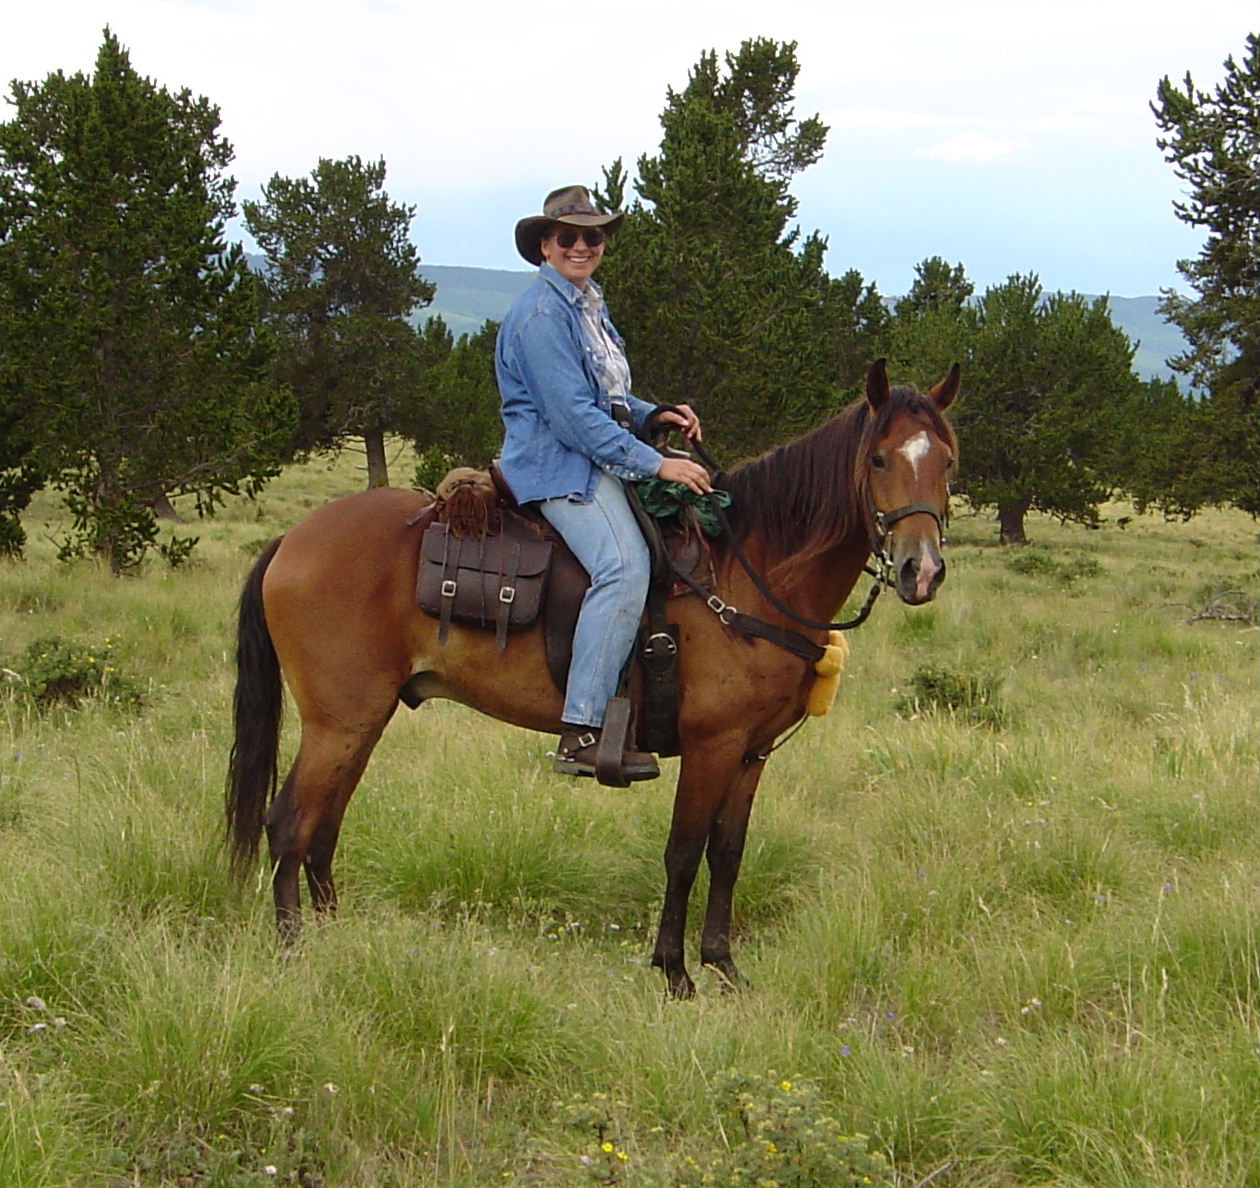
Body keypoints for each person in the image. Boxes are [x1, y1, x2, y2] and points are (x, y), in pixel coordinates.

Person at [495, 185, 711, 779]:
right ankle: (583, 730)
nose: (582, 246)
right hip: (558, 467)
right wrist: (655, 462)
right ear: (545, 244)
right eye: (569, 236)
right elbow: (571, 417)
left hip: (592, 457)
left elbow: (604, 396)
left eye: (594, 236)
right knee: (624, 568)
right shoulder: (541, 315)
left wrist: (650, 415)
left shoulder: (586, 303)